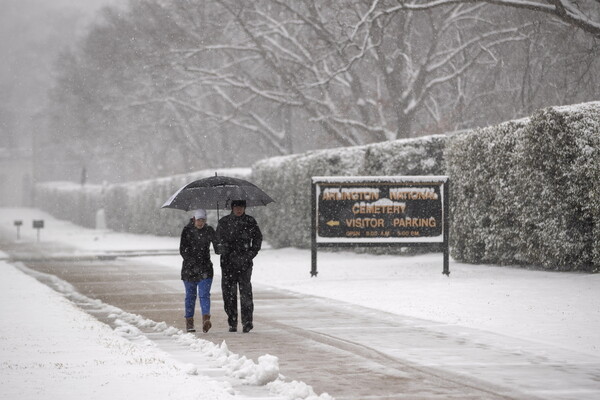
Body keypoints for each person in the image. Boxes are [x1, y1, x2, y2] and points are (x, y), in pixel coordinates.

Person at [216, 200, 262, 333]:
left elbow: (257, 239)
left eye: (241, 207)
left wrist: (251, 254)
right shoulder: (223, 222)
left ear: (245, 208)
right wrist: (220, 248)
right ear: (232, 208)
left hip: (245, 263)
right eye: (236, 207)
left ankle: (247, 322)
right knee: (229, 294)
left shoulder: (250, 221)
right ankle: (232, 321)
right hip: (227, 263)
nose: (239, 210)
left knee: (246, 293)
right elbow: (216, 240)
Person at [179, 209, 216, 333]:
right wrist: (193, 262)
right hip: (189, 270)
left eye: (203, 220)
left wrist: (219, 235)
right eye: (199, 220)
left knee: (204, 295)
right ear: (194, 219)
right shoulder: (187, 230)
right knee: (190, 296)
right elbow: (182, 250)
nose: (201, 223)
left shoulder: (209, 230)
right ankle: (189, 322)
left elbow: (218, 247)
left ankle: (206, 319)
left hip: (205, 269)